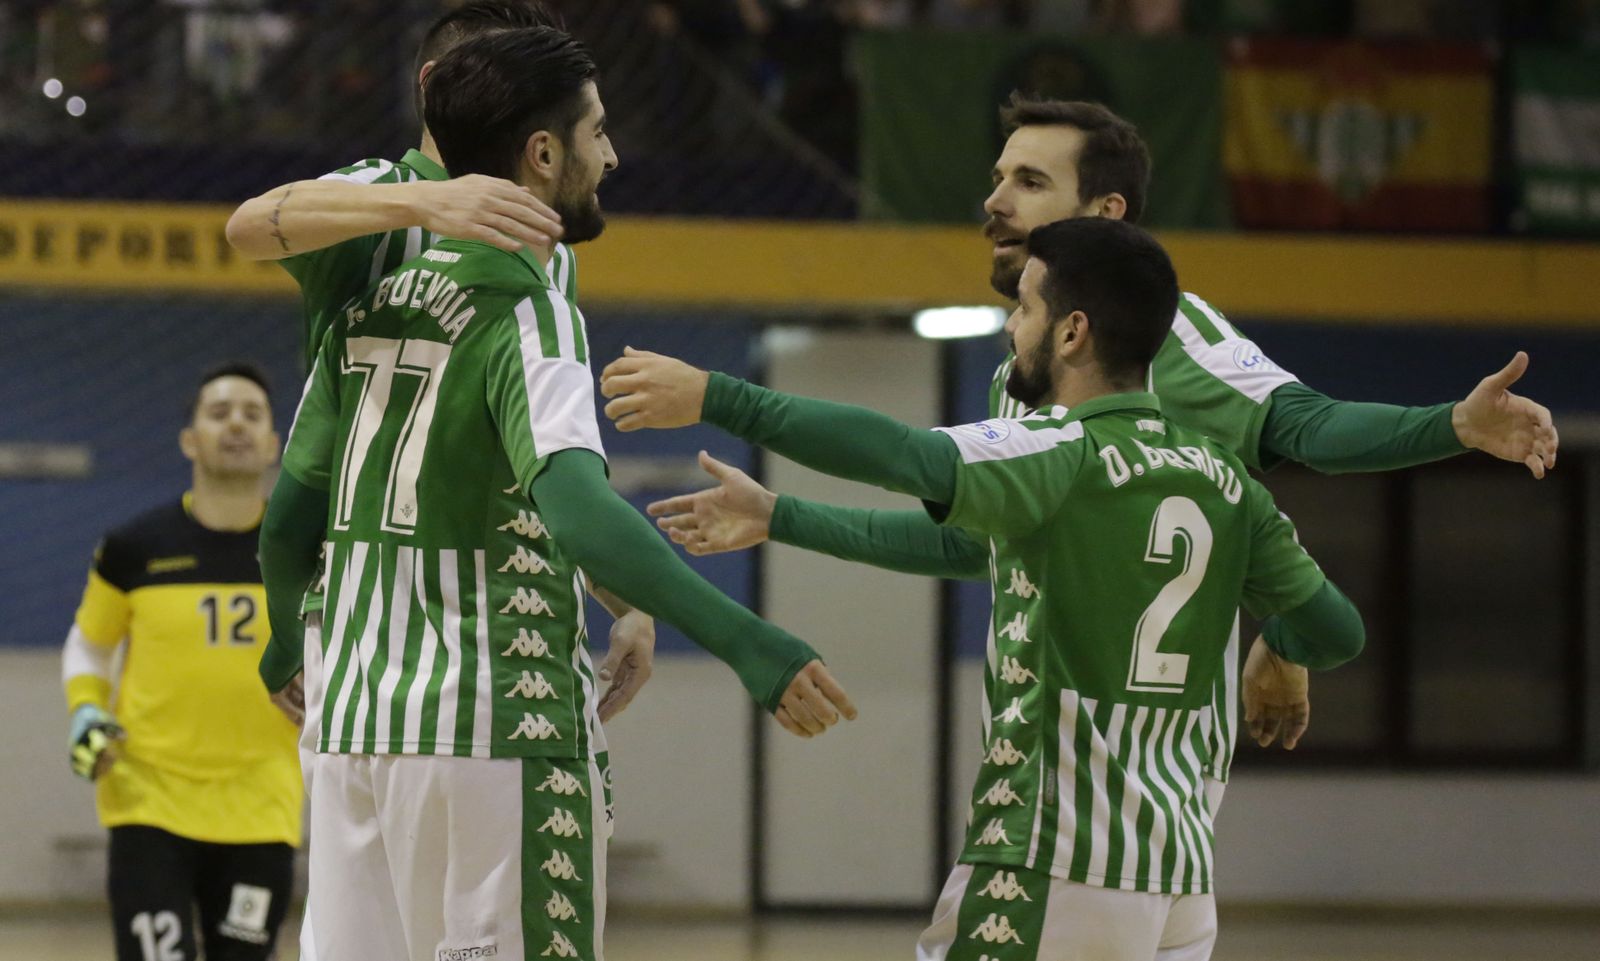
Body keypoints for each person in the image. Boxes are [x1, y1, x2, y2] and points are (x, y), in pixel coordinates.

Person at [634, 94, 1559, 775]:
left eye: (1029, 182)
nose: (994, 200)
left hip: (1092, 796)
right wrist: (782, 516)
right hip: (1105, 795)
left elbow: (1307, 425)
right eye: (997, 176)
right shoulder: (1019, 375)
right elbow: (981, 548)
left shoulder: (1172, 334)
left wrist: (1453, 425)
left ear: (1105, 215)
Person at [596, 216, 1366, 960]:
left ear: (1072, 332)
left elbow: (901, 454)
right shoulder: (1228, 481)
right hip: (1179, 879)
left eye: (1025, 306)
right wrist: (1283, 645)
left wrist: (719, 397)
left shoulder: (1060, 451)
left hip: (1053, 855)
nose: (1010, 327)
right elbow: (1339, 629)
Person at [258, 26, 855, 961]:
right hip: (497, 718)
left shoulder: (367, 304)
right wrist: (749, 640)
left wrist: (289, 637)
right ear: (543, 153)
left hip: (353, 728)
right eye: (598, 130)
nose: (611, 153)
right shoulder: (531, 305)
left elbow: (291, 514)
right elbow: (577, 510)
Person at [226, 0, 659, 726]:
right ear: (436, 86)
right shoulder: (379, 194)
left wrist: (628, 599)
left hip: (499, 614)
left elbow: (542, 467)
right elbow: (246, 226)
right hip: (370, 608)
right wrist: (425, 201)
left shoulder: (547, 253)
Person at [62, 363, 300, 961]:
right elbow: (90, 643)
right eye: (219, 413)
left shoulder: (306, 553)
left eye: (252, 414)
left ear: (274, 443)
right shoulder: (133, 547)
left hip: (262, 806)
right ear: (190, 439)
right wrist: (86, 711)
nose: (236, 425)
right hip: (148, 802)